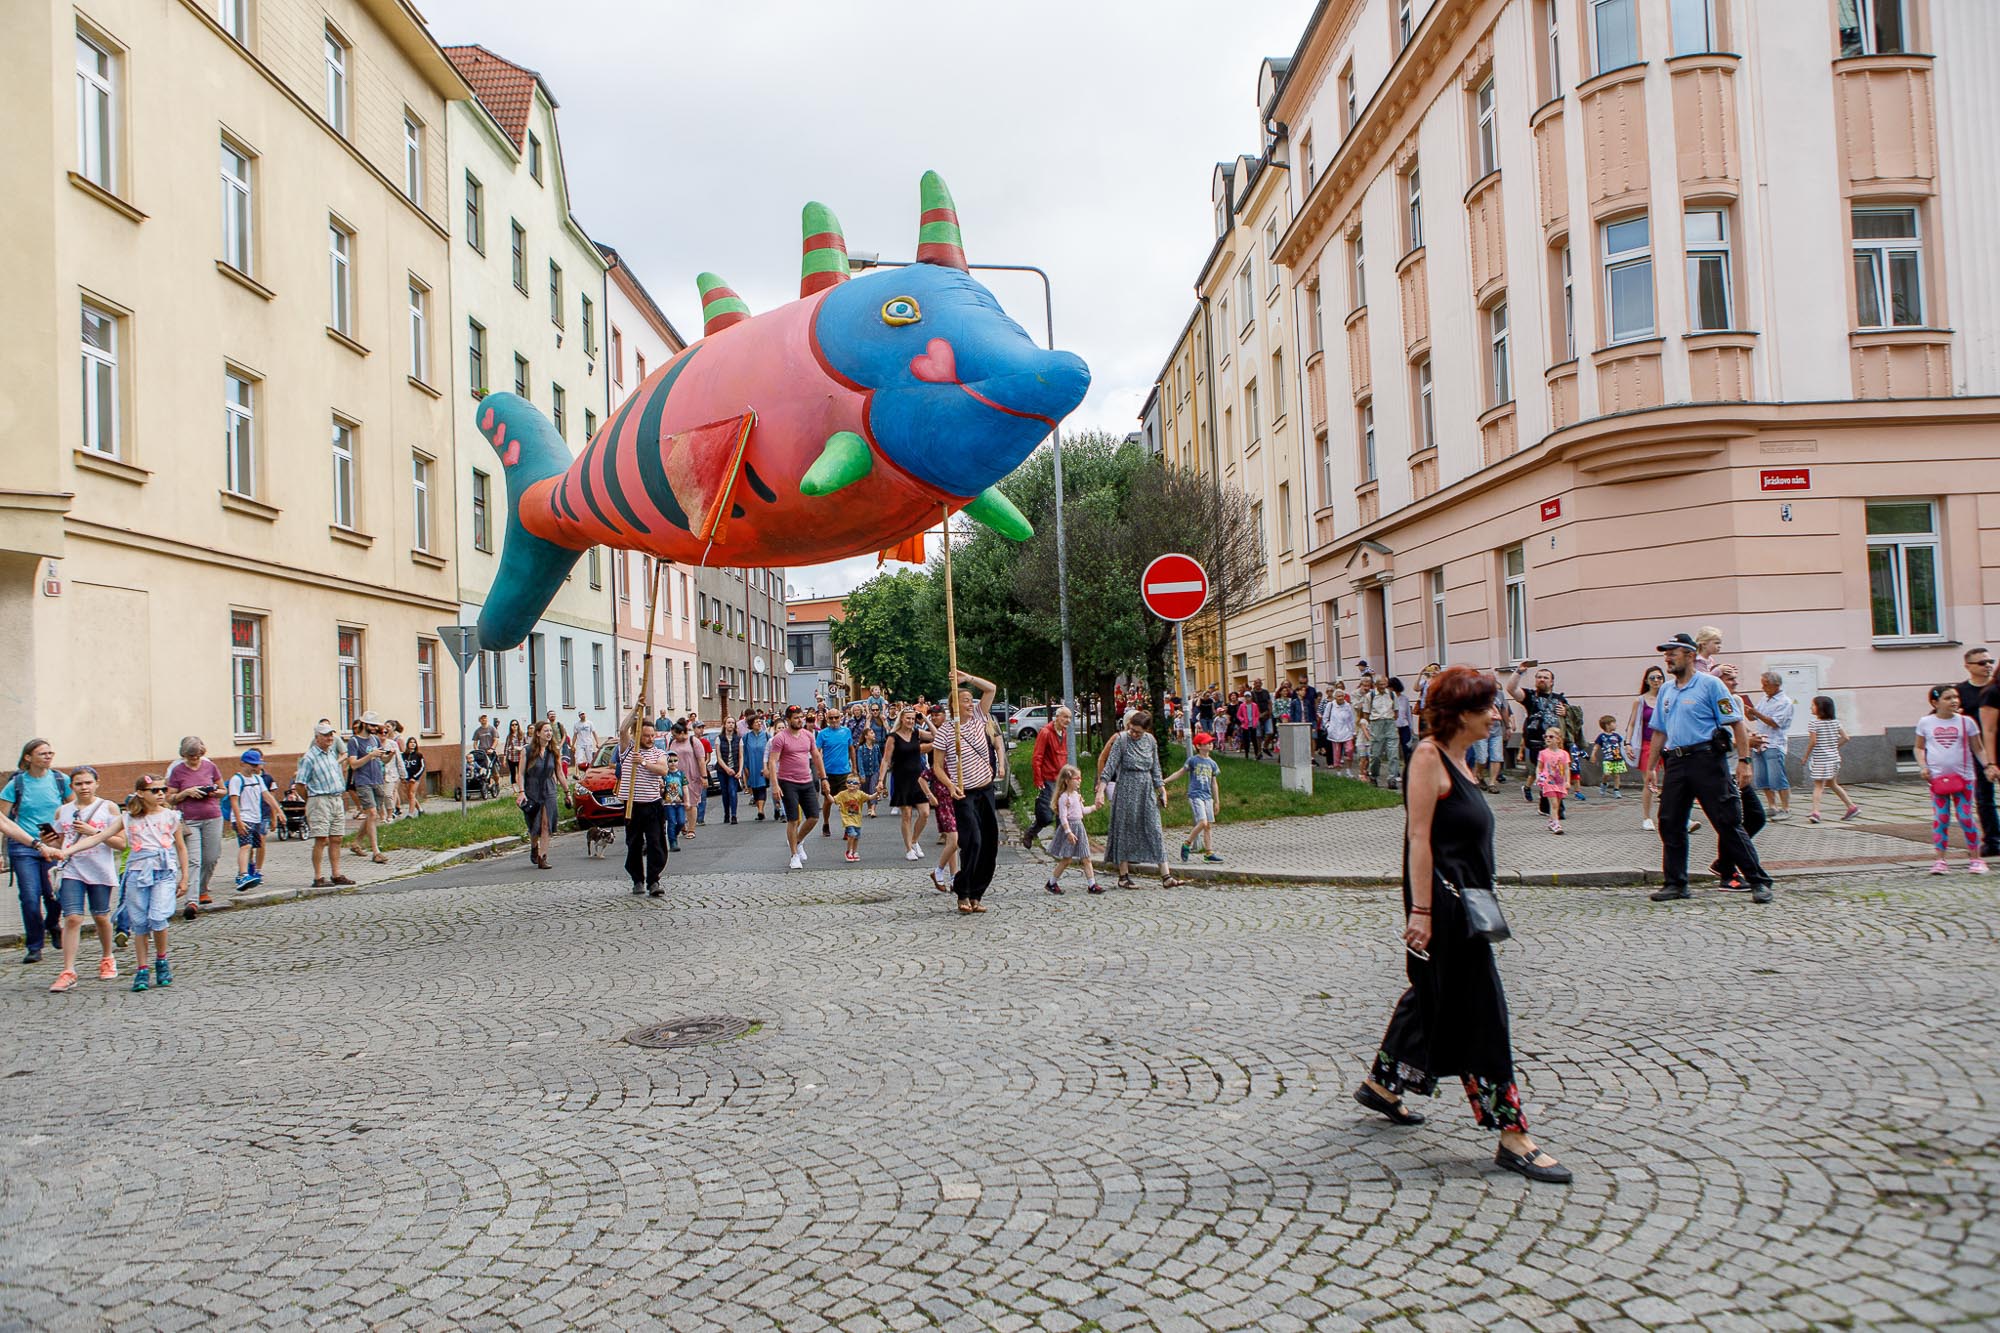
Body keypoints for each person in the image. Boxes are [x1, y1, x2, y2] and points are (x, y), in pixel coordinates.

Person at [1354, 665, 1573, 1185]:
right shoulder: (1429, 756)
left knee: (1430, 994)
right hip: (1446, 909)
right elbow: (1419, 839)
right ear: (1458, 715)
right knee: (1484, 1012)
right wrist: (1422, 913)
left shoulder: (1462, 757)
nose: (1497, 716)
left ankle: (1383, 1085)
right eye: (1487, 709)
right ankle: (1512, 1133)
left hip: (1469, 901)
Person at [1647, 632, 1773, 903]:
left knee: (1727, 821)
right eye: (1666, 653)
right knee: (1670, 822)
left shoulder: (1710, 685)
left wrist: (1744, 761)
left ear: (1690, 655)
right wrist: (1651, 767)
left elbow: (1737, 723)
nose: (1668, 658)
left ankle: (1758, 881)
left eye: (1673, 653)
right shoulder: (1667, 690)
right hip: (1677, 762)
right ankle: (1676, 883)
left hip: (1706, 760)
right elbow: (1659, 731)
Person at [930, 672, 1000, 912]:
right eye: (966, 700)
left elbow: (990, 688)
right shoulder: (947, 731)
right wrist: (950, 786)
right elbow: (937, 767)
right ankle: (963, 890)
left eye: (972, 699)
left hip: (986, 790)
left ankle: (977, 894)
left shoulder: (980, 717)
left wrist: (967, 678)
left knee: (990, 844)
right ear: (954, 705)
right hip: (964, 793)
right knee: (973, 842)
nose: (971, 703)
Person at [47, 767, 122, 992]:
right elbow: (60, 844)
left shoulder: (108, 807)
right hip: (72, 869)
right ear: (72, 787)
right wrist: (49, 842)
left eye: (88, 783)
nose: (84, 787)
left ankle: (107, 956)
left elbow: (121, 842)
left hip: (99, 868)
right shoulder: (63, 811)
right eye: (79, 784)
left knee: (100, 916)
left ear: (97, 783)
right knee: (72, 918)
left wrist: (93, 832)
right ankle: (68, 970)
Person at [119, 775, 189, 992]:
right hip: (137, 873)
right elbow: (103, 836)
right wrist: (67, 851)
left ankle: (161, 959)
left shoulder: (171, 816)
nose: (160, 793)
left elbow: (180, 847)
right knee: (139, 922)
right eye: (154, 790)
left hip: (163, 871)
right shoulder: (129, 818)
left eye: (163, 789)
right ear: (140, 793)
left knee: (158, 917)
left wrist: (185, 877)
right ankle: (142, 968)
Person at [1098, 710, 1181, 891]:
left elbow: (1156, 769)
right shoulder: (1121, 740)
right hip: (1126, 788)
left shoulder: (1150, 741)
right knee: (1125, 830)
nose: (1134, 734)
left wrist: (1162, 790)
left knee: (1154, 829)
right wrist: (1100, 791)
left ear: (1146, 730)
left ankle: (1166, 876)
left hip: (1146, 789)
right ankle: (1123, 876)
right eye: (1132, 730)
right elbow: (1109, 767)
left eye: (1138, 731)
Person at [2, 738, 69, 962]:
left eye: (51, 753)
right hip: (23, 846)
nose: (48, 756)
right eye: (43, 753)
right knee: (30, 896)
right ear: (28, 757)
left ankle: (52, 923)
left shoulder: (61, 780)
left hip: (54, 844)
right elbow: (3, 820)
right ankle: (35, 944)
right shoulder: (17, 784)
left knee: (55, 893)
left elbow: (73, 811)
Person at [1914, 685, 1985, 875]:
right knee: (1941, 818)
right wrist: (1923, 766)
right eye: (1948, 698)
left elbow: (1977, 748)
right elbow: (1919, 747)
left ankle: (1976, 859)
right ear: (1935, 702)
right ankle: (1940, 860)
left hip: (1964, 778)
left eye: (1955, 697)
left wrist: (1988, 766)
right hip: (1937, 779)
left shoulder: (1966, 722)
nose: (1954, 701)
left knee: (1965, 817)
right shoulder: (1926, 722)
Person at [164, 735, 225, 915]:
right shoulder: (177, 770)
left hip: (213, 816)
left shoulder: (210, 766)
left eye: (198, 755)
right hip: (189, 820)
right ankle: (191, 901)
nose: (195, 759)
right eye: (191, 756)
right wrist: (186, 793)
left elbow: (223, 790)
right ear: (184, 755)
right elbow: (169, 797)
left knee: (211, 857)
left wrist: (213, 792)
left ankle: (202, 888)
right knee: (194, 860)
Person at [767, 705, 829, 871]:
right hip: (788, 782)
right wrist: (774, 785)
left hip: (806, 780)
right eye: (796, 718)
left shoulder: (808, 735)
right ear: (788, 720)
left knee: (814, 816)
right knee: (793, 819)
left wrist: (823, 778)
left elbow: (816, 756)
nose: (800, 720)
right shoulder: (781, 738)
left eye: (801, 717)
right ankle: (794, 855)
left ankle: (798, 840)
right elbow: (772, 762)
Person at [1952, 648, 1999, 860]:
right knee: (1984, 796)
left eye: (1990, 661)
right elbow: (1940, 715)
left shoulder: (1995, 688)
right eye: (1981, 663)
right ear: (1968, 667)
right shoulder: (1961, 692)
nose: (1987, 665)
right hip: (1976, 751)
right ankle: (1992, 840)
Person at [296, 720, 355, 888]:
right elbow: (300, 783)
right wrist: (310, 800)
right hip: (319, 799)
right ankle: (318, 877)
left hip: (336, 798)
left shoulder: (331, 753)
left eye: (331, 734)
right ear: (317, 738)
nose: (330, 738)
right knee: (321, 839)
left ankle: (336, 874)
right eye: (326, 735)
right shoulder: (309, 757)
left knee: (337, 838)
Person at [617, 721, 671, 896]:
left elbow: (663, 770)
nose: (650, 739)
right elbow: (623, 729)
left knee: (655, 842)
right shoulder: (628, 750)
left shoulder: (658, 753)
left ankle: (654, 880)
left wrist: (644, 763)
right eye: (646, 735)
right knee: (634, 844)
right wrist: (636, 710)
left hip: (652, 804)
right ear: (638, 735)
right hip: (632, 805)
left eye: (652, 735)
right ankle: (637, 880)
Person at [1502, 664, 1567, 805]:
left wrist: (1565, 713)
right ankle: (1551, 805)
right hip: (1536, 743)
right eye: (1539, 677)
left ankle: (1548, 805)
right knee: (1544, 774)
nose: (1542, 680)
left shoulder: (1559, 699)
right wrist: (1518, 672)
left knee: (1554, 774)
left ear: (1552, 681)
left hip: (1556, 744)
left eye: (1545, 677)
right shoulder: (1530, 696)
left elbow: (1569, 720)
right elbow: (1511, 689)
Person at [1742, 672, 1795, 820]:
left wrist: (1756, 713)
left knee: (1777, 777)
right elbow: (1753, 717)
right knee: (1762, 777)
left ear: (1776, 685)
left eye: (1766, 685)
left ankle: (1786, 808)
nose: (1763, 688)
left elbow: (1775, 722)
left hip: (1774, 743)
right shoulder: (1765, 699)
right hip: (1760, 742)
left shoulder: (1784, 702)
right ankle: (1772, 806)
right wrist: (1749, 712)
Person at [1044, 764, 1102, 895]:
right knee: (1067, 859)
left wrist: (1094, 807)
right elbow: (1063, 817)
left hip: (1079, 827)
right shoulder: (1064, 798)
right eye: (1077, 778)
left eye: (1080, 778)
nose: (1079, 781)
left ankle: (1092, 884)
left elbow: (1082, 810)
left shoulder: (1076, 795)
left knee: (1086, 856)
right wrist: (1068, 832)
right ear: (1067, 780)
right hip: (1070, 829)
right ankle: (1051, 882)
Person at [1167, 731, 1222, 863]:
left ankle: (1209, 853)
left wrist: (1217, 801)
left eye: (1211, 743)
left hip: (1207, 796)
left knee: (1207, 825)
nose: (1210, 745)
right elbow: (1180, 772)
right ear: (1198, 746)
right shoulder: (1193, 760)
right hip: (1195, 795)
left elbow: (1214, 783)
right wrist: (1165, 781)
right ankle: (1187, 843)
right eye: (1207, 743)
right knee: (1202, 822)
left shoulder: (1212, 763)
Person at [1021, 706, 1071, 849]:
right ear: (1057, 717)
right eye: (1065, 717)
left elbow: (1063, 755)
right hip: (1048, 778)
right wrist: (1038, 779)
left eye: (1069, 718)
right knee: (1046, 815)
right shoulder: (1045, 733)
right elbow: (1037, 757)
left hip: (1062, 778)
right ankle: (1031, 832)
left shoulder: (1064, 733)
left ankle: (1060, 843)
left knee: (1063, 813)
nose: (1067, 720)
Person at [1803, 696, 1859, 824]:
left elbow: (1813, 742)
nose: (1810, 707)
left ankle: (1816, 813)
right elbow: (1846, 737)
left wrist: (1806, 756)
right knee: (1832, 784)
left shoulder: (1814, 723)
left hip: (1821, 759)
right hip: (1834, 758)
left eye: (1813, 705)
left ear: (1820, 709)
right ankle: (1852, 807)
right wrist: (1834, 746)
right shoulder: (1835, 723)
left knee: (1818, 786)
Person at [885, 706, 932, 859]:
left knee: (924, 813)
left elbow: (936, 736)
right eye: (908, 718)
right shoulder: (893, 737)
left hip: (918, 778)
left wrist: (924, 719)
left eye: (913, 718)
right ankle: (908, 849)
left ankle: (914, 840)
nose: (911, 721)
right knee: (907, 814)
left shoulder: (917, 733)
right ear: (902, 719)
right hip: (902, 778)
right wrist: (880, 780)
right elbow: (886, 759)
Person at [228, 750, 278, 890]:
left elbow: (267, 796)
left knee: (254, 846)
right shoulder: (237, 780)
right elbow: (234, 801)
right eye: (252, 765)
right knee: (246, 846)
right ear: (242, 763)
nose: (256, 768)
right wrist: (238, 820)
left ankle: (249, 871)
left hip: (256, 817)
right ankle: (242, 875)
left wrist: (279, 811)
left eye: (257, 765)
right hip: (243, 818)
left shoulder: (258, 779)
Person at [518, 720, 563, 870]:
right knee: (534, 825)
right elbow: (521, 774)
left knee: (546, 824)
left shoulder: (554, 751)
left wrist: (567, 791)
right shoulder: (527, 751)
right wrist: (521, 792)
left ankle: (543, 857)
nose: (549, 733)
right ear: (538, 733)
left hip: (549, 790)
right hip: (532, 790)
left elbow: (560, 772)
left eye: (550, 731)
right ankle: (533, 846)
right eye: (546, 731)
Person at [1627, 666, 1666, 830]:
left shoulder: (1668, 697)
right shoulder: (1640, 700)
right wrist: (1628, 743)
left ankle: (1678, 816)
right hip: (1647, 744)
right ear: (1646, 681)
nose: (1656, 681)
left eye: (1659, 677)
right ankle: (1647, 817)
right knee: (1650, 780)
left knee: (1673, 781)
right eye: (1652, 678)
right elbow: (1632, 723)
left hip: (1668, 743)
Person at [814, 709, 856, 839]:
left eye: (836, 717)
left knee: (846, 800)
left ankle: (847, 827)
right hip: (828, 773)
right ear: (827, 719)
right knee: (828, 800)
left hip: (844, 772)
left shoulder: (846, 731)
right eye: (831, 718)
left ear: (840, 718)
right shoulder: (822, 734)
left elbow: (851, 749)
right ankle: (826, 823)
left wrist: (854, 767)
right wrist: (820, 772)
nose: (834, 720)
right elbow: (817, 752)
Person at [917, 765, 958, 892]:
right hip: (944, 804)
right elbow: (922, 779)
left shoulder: (959, 763)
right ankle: (938, 871)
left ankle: (954, 877)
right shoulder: (941, 764)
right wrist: (930, 795)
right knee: (954, 839)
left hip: (956, 803)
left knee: (953, 843)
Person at [1361, 676, 1400, 789]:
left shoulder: (1392, 695)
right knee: (1376, 755)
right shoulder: (1370, 696)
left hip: (1390, 723)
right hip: (1376, 724)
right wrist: (1371, 728)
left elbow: (1396, 712)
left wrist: (1390, 720)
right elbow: (1366, 714)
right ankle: (1373, 776)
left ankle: (1392, 779)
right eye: (1381, 685)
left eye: (1385, 684)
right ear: (1376, 685)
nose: (1383, 687)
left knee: (1393, 754)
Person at [1534, 725, 1570, 834]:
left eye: (1551, 736)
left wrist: (1567, 781)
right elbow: (1539, 767)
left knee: (1557, 804)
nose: (1548, 739)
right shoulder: (1543, 753)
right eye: (1546, 737)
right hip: (1548, 782)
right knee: (1554, 804)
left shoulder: (1564, 754)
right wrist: (1538, 777)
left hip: (1559, 782)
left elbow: (1567, 769)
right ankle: (1556, 824)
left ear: (1558, 739)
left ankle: (1551, 821)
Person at [713, 716, 743, 825]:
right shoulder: (719, 739)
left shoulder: (738, 739)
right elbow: (719, 757)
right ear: (725, 725)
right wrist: (726, 768)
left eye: (732, 723)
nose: (731, 724)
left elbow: (740, 756)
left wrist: (739, 771)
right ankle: (726, 813)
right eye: (729, 722)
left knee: (733, 791)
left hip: (734, 770)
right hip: (722, 770)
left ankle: (734, 815)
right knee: (725, 793)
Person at [660, 750, 691, 852]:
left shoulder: (681, 774)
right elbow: (661, 788)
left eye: (675, 760)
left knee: (681, 821)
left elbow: (685, 787)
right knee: (672, 822)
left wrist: (687, 801)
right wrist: (662, 788)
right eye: (670, 761)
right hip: (669, 803)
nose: (673, 763)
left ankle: (674, 833)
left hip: (680, 802)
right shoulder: (664, 775)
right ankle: (673, 842)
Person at [1591, 717, 1629, 800]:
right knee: (1606, 774)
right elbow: (1596, 746)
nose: (1616, 725)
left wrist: (1627, 749)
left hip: (1617, 758)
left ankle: (1616, 790)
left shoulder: (1616, 736)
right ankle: (1604, 784)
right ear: (1607, 725)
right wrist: (1593, 754)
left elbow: (1623, 744)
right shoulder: (1601, 736)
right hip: (1608, 759)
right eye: (1614, 723)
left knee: (1616, 775)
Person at [1321, 688, 1357, 775]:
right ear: (1335, 697)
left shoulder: (1348, 706)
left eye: (1342, 696)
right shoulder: (1331, 705)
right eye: (1338, 696)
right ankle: (1338, 771)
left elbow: (1351, 719)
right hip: (1335, 732)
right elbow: (1325, 718)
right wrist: (1328, 727)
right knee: (1337, 753)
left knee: (1349, 750)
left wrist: (1353, 731)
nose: (1340, 698)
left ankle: (1348, 769)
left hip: (1346, 732)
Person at [833, 774, 868, 862]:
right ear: (846, 783)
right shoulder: (842, 794)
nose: (851, 784)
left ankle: (854, 852)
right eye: (849, 782)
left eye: (854, 783)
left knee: (857, 837)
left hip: (857, 820)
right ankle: (849, 851)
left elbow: (870, 797)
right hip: (847, 819)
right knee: (852, 834)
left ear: (859, 785)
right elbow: (834, 800)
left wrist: (878, 793)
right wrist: (827, 794)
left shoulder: (860, 794)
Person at [743, 714, 771, 821]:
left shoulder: (766, 735)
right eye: (756, 722)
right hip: (751, 765)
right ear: (751, 725)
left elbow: (770, 751)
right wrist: (745, 767)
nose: (759, 723)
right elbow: (744, 752)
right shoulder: (746, 737)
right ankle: (759, 809)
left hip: (763, 765)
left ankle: (760, 810)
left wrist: (768, 766)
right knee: (754, 788)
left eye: (760, 721)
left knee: (762, 787)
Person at [401, 737, 427, 819]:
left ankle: (410, 814)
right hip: (406, 777)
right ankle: (421, 810)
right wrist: (403, 777)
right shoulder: (403, 755)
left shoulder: (419, 755)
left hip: (415, 778)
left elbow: (422, 767)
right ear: (407, 744)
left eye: (414, 742)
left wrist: (415, 777)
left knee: (411, 794)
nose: (412, 744)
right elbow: (401, 766)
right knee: (409, 795)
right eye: (411, 742)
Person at [503, 720, 525, 789]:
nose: (514, 726)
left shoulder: (522, 734)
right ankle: (514, 789)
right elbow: (506, 747)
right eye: (512, 725)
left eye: (516, 724)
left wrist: (521, 748)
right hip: (511, 757)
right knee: (513, 773)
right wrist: (504, 759)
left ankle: (521, 787)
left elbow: (526, 745)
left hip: (520, 756)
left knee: (520, 773)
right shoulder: (509, 736)